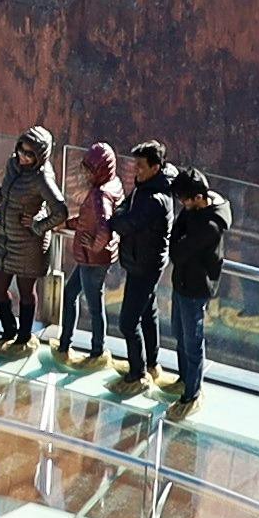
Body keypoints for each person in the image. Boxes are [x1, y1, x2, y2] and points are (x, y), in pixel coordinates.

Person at [0, 127, 67, 346]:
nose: (23, 155)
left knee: (26, 292)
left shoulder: (42, 177)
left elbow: (61, 211)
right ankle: (9, 330)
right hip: (6, 237)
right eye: (22, 148)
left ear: (40, 156)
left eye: (30, 153)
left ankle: (23, 338)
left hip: (30, 244)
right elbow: (5, 191)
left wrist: (38, 226)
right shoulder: (13, 165)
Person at [167, 166, 229, 406]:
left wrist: (179, 240)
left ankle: (191, 394)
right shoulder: (192, 211)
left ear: (199, 198)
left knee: (192, 342)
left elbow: (178, 251)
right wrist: (179, 239)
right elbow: (178, 235)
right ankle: (184, 380)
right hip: (182, 282)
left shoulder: (211, 226)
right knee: (180, 334)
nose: (182, 204)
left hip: (195, 288)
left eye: (185, 199)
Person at [112, 143, 173, 385]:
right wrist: (122, 213)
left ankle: (137, 374)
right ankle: (152, 364)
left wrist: (114, 218)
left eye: (140, 165)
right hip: (145, 261)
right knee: (148, 312)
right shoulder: (149, 188)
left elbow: (126, 223)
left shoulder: (153, 199)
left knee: (128, 323)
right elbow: (126, 209)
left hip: (144, 265)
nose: (134, 169)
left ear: (155, 167)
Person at [58, 141, 124, 365]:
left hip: (92, 260)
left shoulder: (99, 195)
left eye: (89, 169)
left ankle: (96, 353)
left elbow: (103, 227)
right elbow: (92, 222)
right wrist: (68, 224)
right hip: (94, 259)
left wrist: (94, 246)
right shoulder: (113, 185)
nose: (85, 173)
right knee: (72, 295)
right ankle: (66, 343)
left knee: (93, 305)